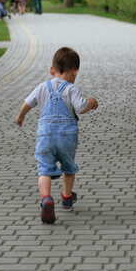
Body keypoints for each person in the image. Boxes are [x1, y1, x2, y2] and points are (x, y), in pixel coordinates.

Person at [15, 47, 99, 224]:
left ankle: (46, 198)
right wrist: (91, 103)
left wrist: (20, 116)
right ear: (74, 71)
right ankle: (67, 197)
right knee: (68, 167)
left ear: (52, 69)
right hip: (67, 136)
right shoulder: (72, 89)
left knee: (44, 169)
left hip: (45, 135)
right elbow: (81, 108)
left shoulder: (41, 87)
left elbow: (27, 103)